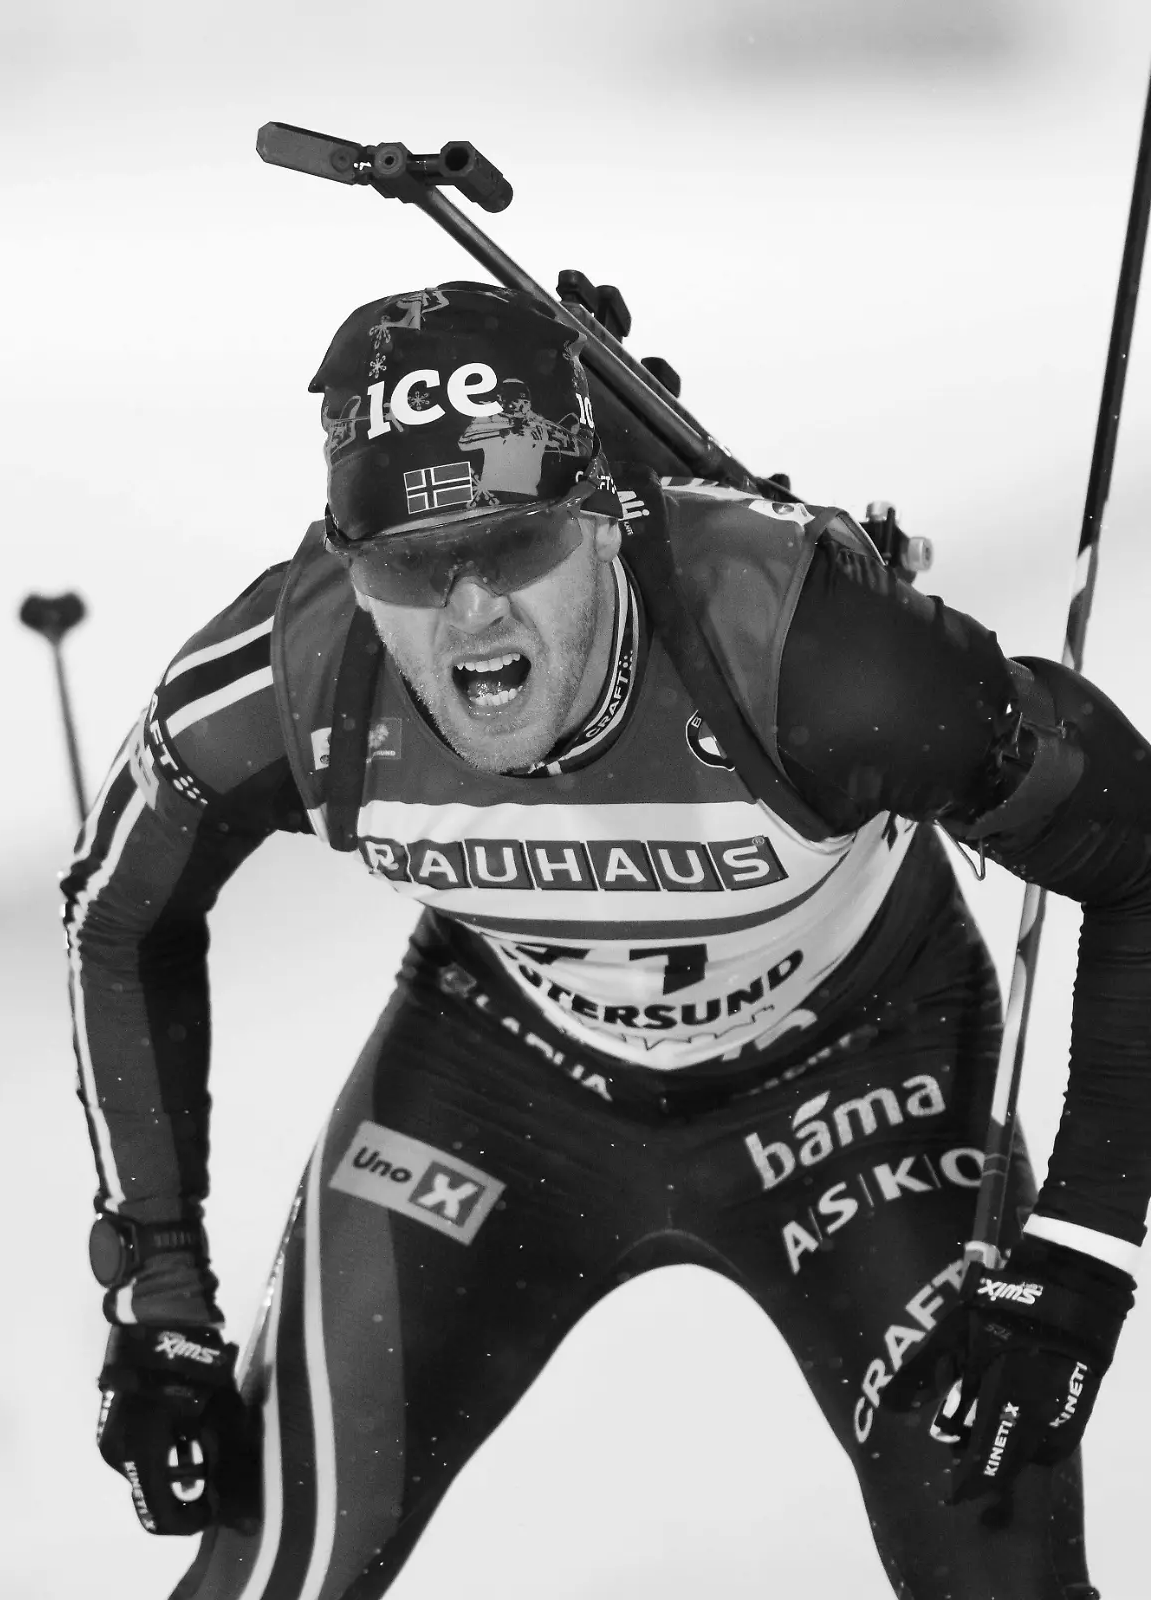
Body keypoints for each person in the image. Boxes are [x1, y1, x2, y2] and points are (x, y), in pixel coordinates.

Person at [62, 281, 1151, 1600]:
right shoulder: (299, 676)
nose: (470, 620)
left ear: (601, 521)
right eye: (409, 568)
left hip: (860, 1079)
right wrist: (161, 1316)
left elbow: (1138, 856)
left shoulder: (811, 658)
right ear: (346, 562)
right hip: (504, 1088)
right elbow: (117, 912)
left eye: (514, 549)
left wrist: (1083, 1255)